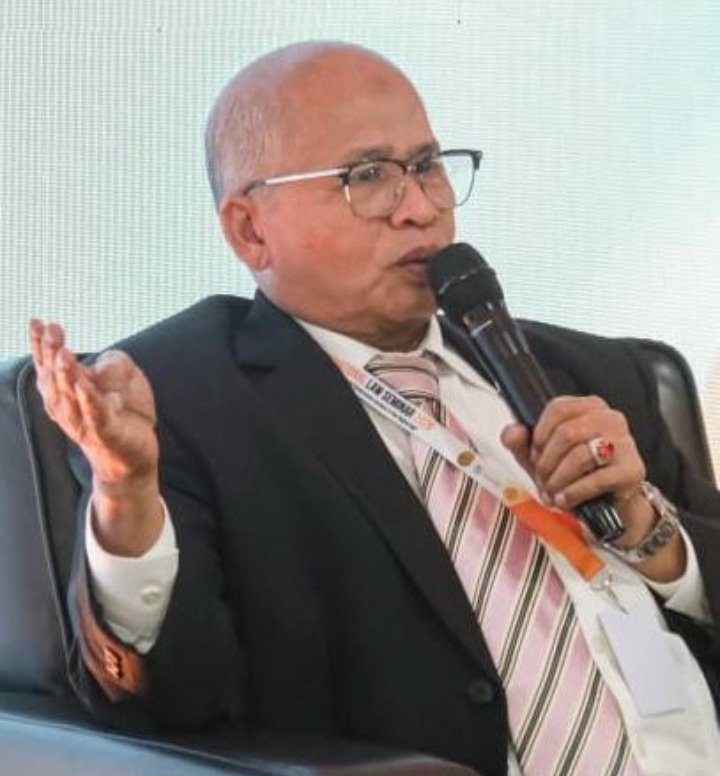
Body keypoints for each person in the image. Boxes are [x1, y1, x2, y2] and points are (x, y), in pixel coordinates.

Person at [29, 41, 720, 776]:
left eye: (427, 166)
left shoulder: (594, 374)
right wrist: (126, 494)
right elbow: (172, 702)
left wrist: (651, 534)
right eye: (368, 177)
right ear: (250, 229)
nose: (421, 209)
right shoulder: (182, 399)